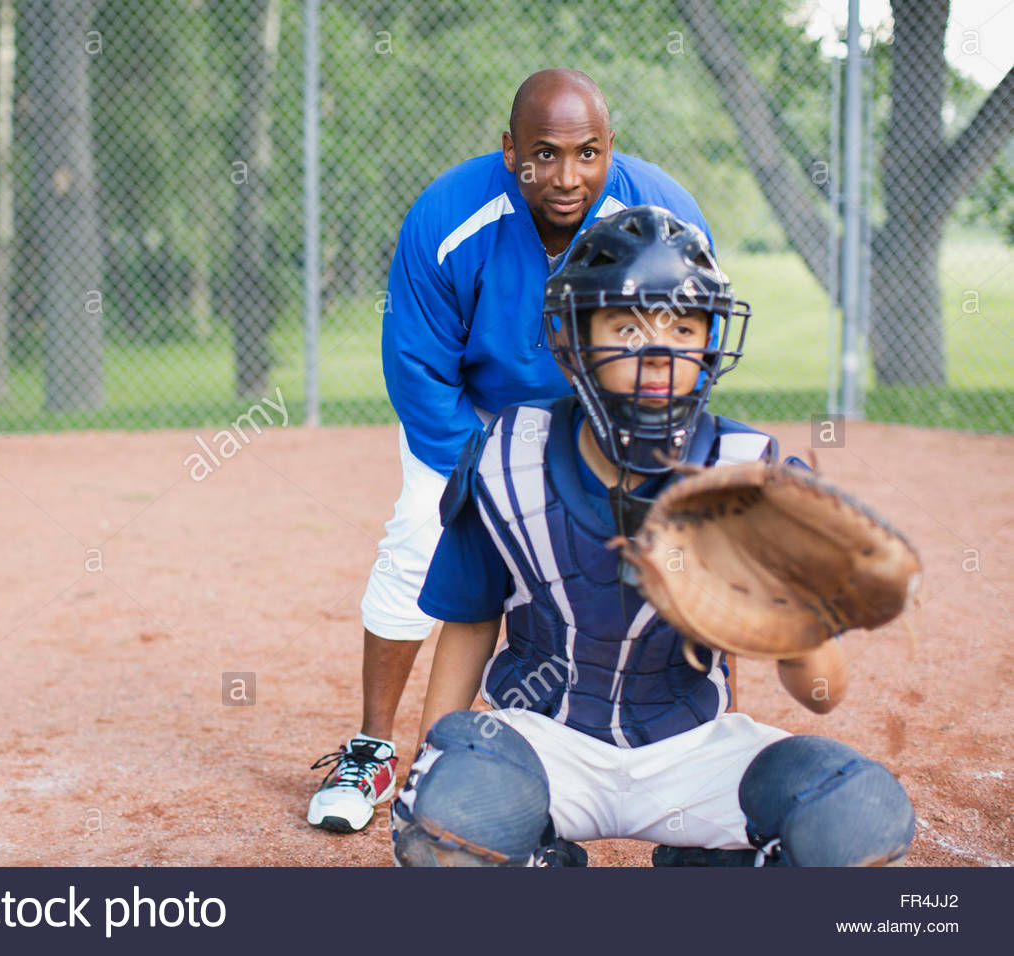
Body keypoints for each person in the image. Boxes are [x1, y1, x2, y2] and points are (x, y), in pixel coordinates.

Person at [388, 205, 916, 867]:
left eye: (684, 324)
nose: (660, 351)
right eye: (628, 325)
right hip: (545, 744)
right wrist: (433, 754)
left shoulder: (754, 479)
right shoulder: (507, 457)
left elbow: (824, 694)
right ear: (576, 337)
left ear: (711, 340)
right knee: (447, 821)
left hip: (693, 749)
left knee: (857, 824)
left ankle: (701, 871)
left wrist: (795, 619)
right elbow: (470, 620)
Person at [308, 68, 715, 834]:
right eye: (545, 155)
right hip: (472, 417)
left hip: (601, 420)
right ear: (509, 152)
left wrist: (628, 451)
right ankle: (375, 750)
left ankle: (622, 754)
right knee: (420, 542)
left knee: (631, 561)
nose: (568, 177)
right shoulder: (447, 215)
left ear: (610, 147)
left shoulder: (663, 214)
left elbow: (689, 344)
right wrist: (487, 473)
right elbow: (418, 366)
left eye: (588, 153)